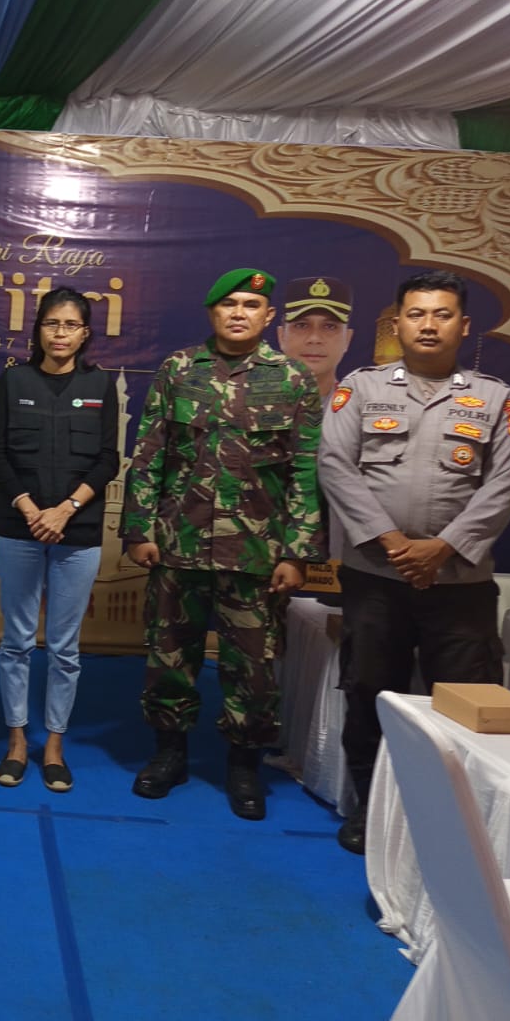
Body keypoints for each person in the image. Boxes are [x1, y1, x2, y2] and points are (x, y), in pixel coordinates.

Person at [317, 269, 510, 854]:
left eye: (441, 314)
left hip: (458, 582)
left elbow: (506, 483)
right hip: (375, 577)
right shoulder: (361, 389)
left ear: (463, 325)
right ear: (397, 324)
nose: (428, 325)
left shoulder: (496, 398)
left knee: (462, 700)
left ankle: (451, 819)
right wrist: (391, 541)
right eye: (416, 314)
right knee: (370, 693)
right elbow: (335, 465)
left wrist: (444, 547)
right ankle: (370, 805)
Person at [124, 268, 324, 820]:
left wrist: (297, 552)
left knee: (253, 668)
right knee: (170, 656)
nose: (239, 313)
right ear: (212, 312)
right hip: (178, 544)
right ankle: (169, 754)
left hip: (256, 552)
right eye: (229, 304)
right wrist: (139, 529)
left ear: (269, 316)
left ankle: (243, 764)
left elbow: (306, 471)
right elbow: (149, 454)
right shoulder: (179, 370)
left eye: (251, 305)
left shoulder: (293, 379)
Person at [0, 288, 119, 793]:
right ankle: (17, 741)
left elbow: (108, 459)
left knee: (64, 648)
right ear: (38, 329)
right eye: (51, 324)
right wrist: (29, 508)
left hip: (76, 532)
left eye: (71, 325)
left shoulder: (101, 385)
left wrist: (65, 509)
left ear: (85, 334)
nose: (60, 334)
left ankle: (55, 746)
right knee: (16, 642)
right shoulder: (13, 381)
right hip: (20, 528)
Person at [277, 276, 355, 402]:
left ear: (347, 338)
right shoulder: (248, 406)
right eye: (302, 325)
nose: (315, 338)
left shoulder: (360, 407)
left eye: (330, 326)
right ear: (281, 336)